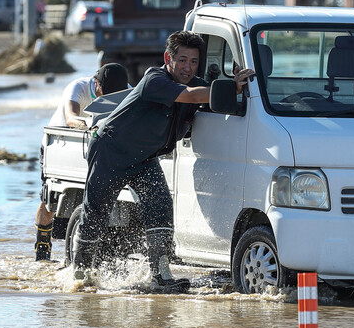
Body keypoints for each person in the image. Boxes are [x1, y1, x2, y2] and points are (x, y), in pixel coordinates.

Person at [71, 31, 254, 289]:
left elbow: (209, 98)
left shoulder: (196, 84)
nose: (188, 67)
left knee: (160, 208)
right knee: (96, 215)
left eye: (193, 61)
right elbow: (191, 96)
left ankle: (161, 276)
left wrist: (236, 87)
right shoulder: (154, 80)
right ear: (168, 58)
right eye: (182, 60)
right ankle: (79, 276)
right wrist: (229, 87)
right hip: (111, 150)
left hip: (145, 158)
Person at [34, 63, 130, 261]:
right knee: (49, 202)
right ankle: (42, 249)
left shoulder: (127, 91)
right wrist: (89, 124)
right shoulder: (78, 87)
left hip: (100, 147)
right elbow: (71, 117)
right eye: (105, 93)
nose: (107, 99)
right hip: (60, 144)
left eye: (114, 95)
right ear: (96, 84)